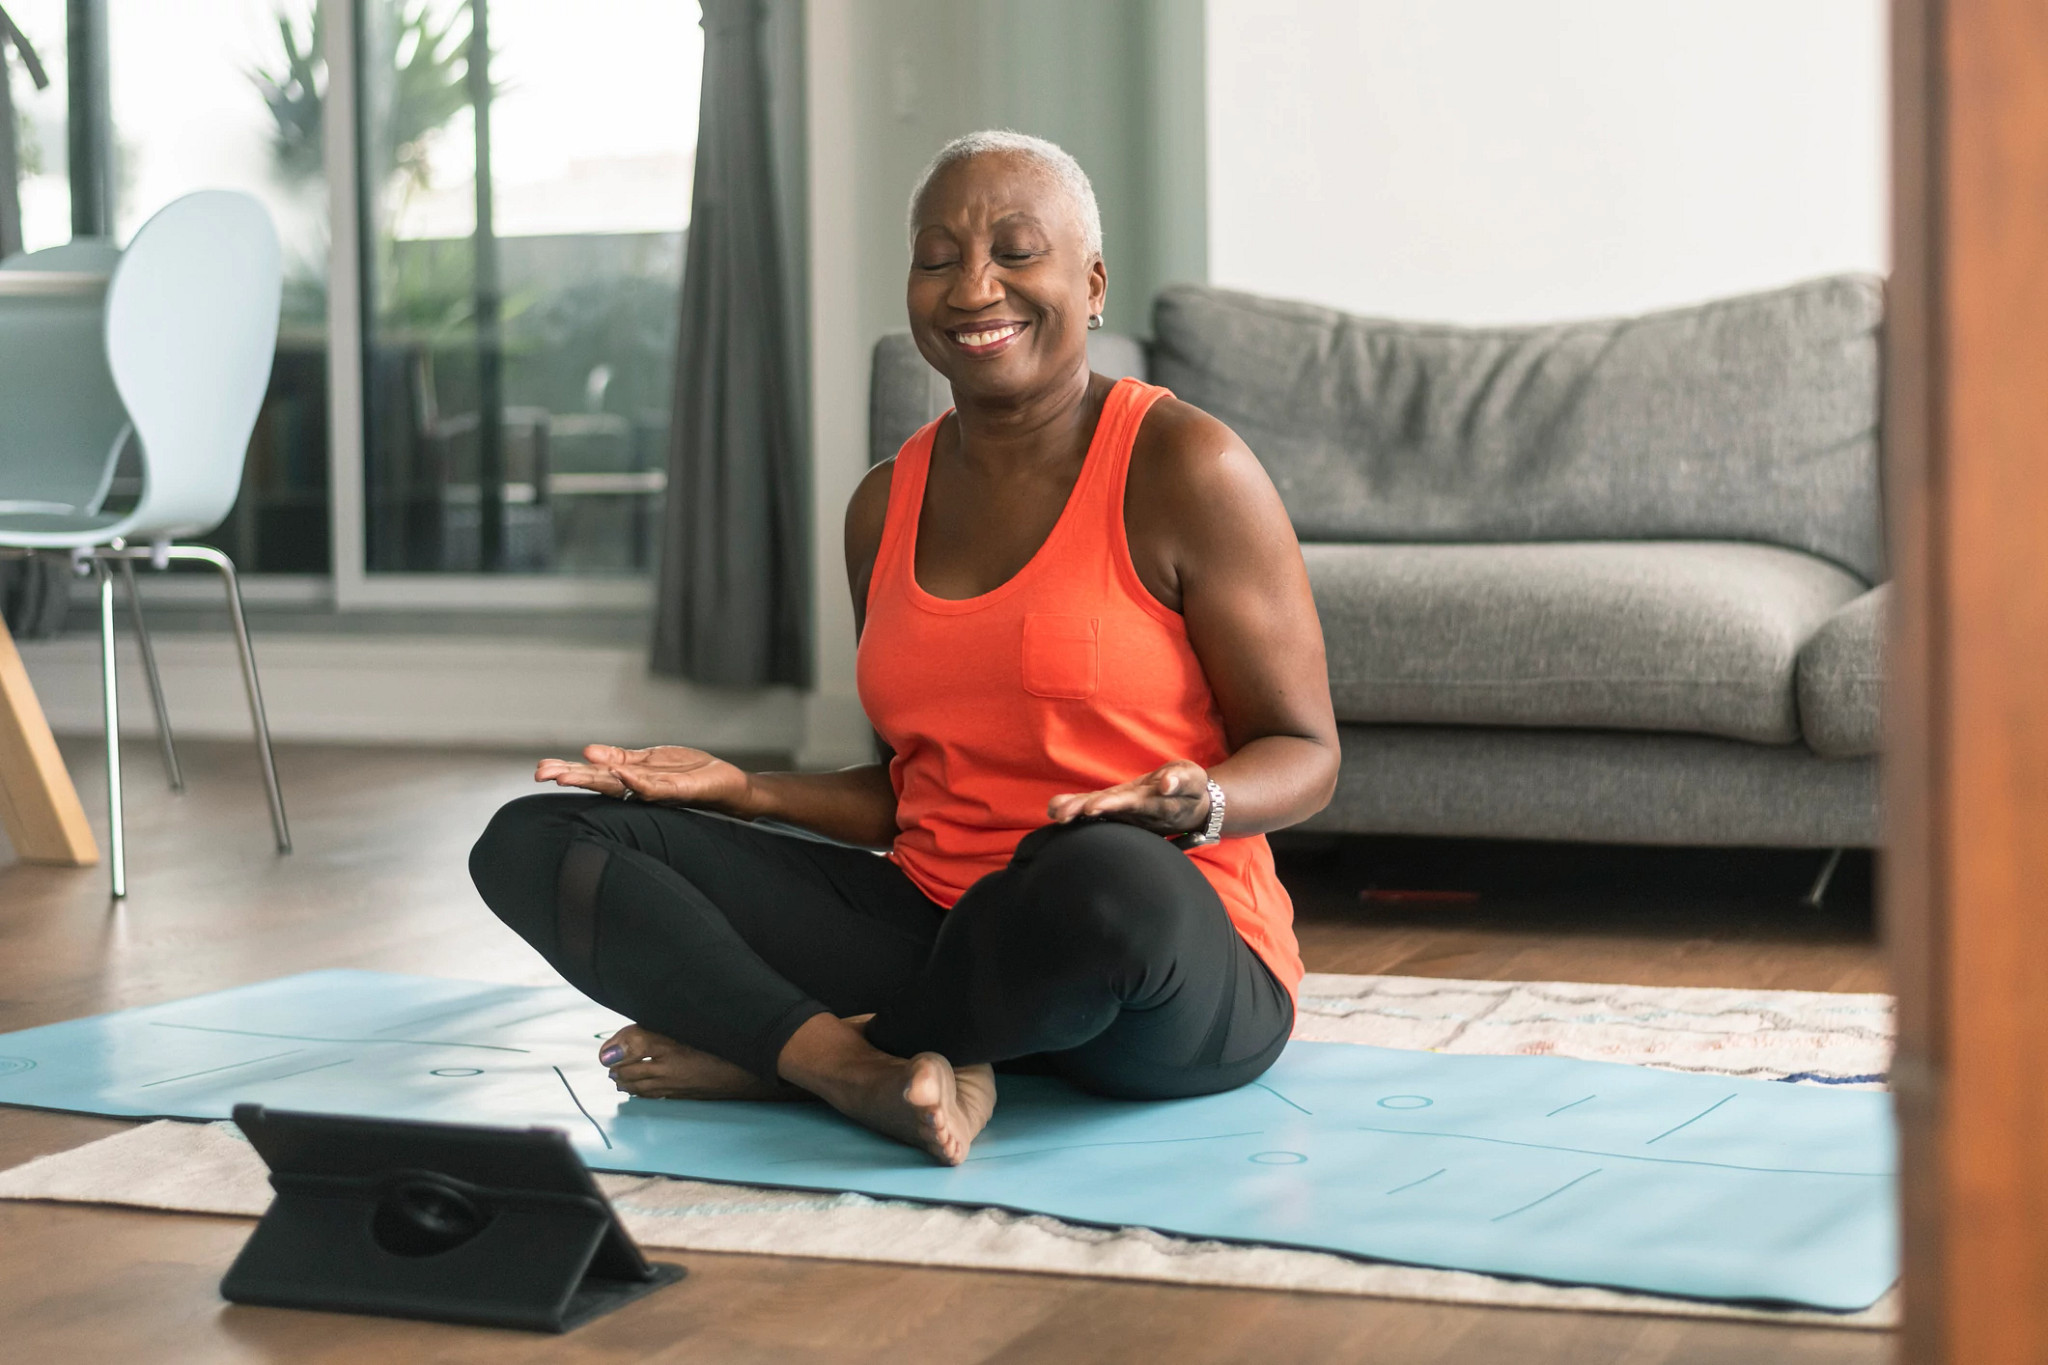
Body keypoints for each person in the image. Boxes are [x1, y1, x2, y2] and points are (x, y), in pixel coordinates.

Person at [470, 130, 1338, 1165]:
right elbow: (911, 790)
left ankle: (785, 1056)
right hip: (936, 929)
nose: (973, 288)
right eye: (937, 259)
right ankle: (850, 1065)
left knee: (1100, 871)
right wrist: (743, 790)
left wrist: (1201, 804)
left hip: (1160, 966)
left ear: (1092, 283)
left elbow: (1306, 752)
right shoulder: (884, 503)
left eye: (1016, 252)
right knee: (535, 839)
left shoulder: (1187, 464)